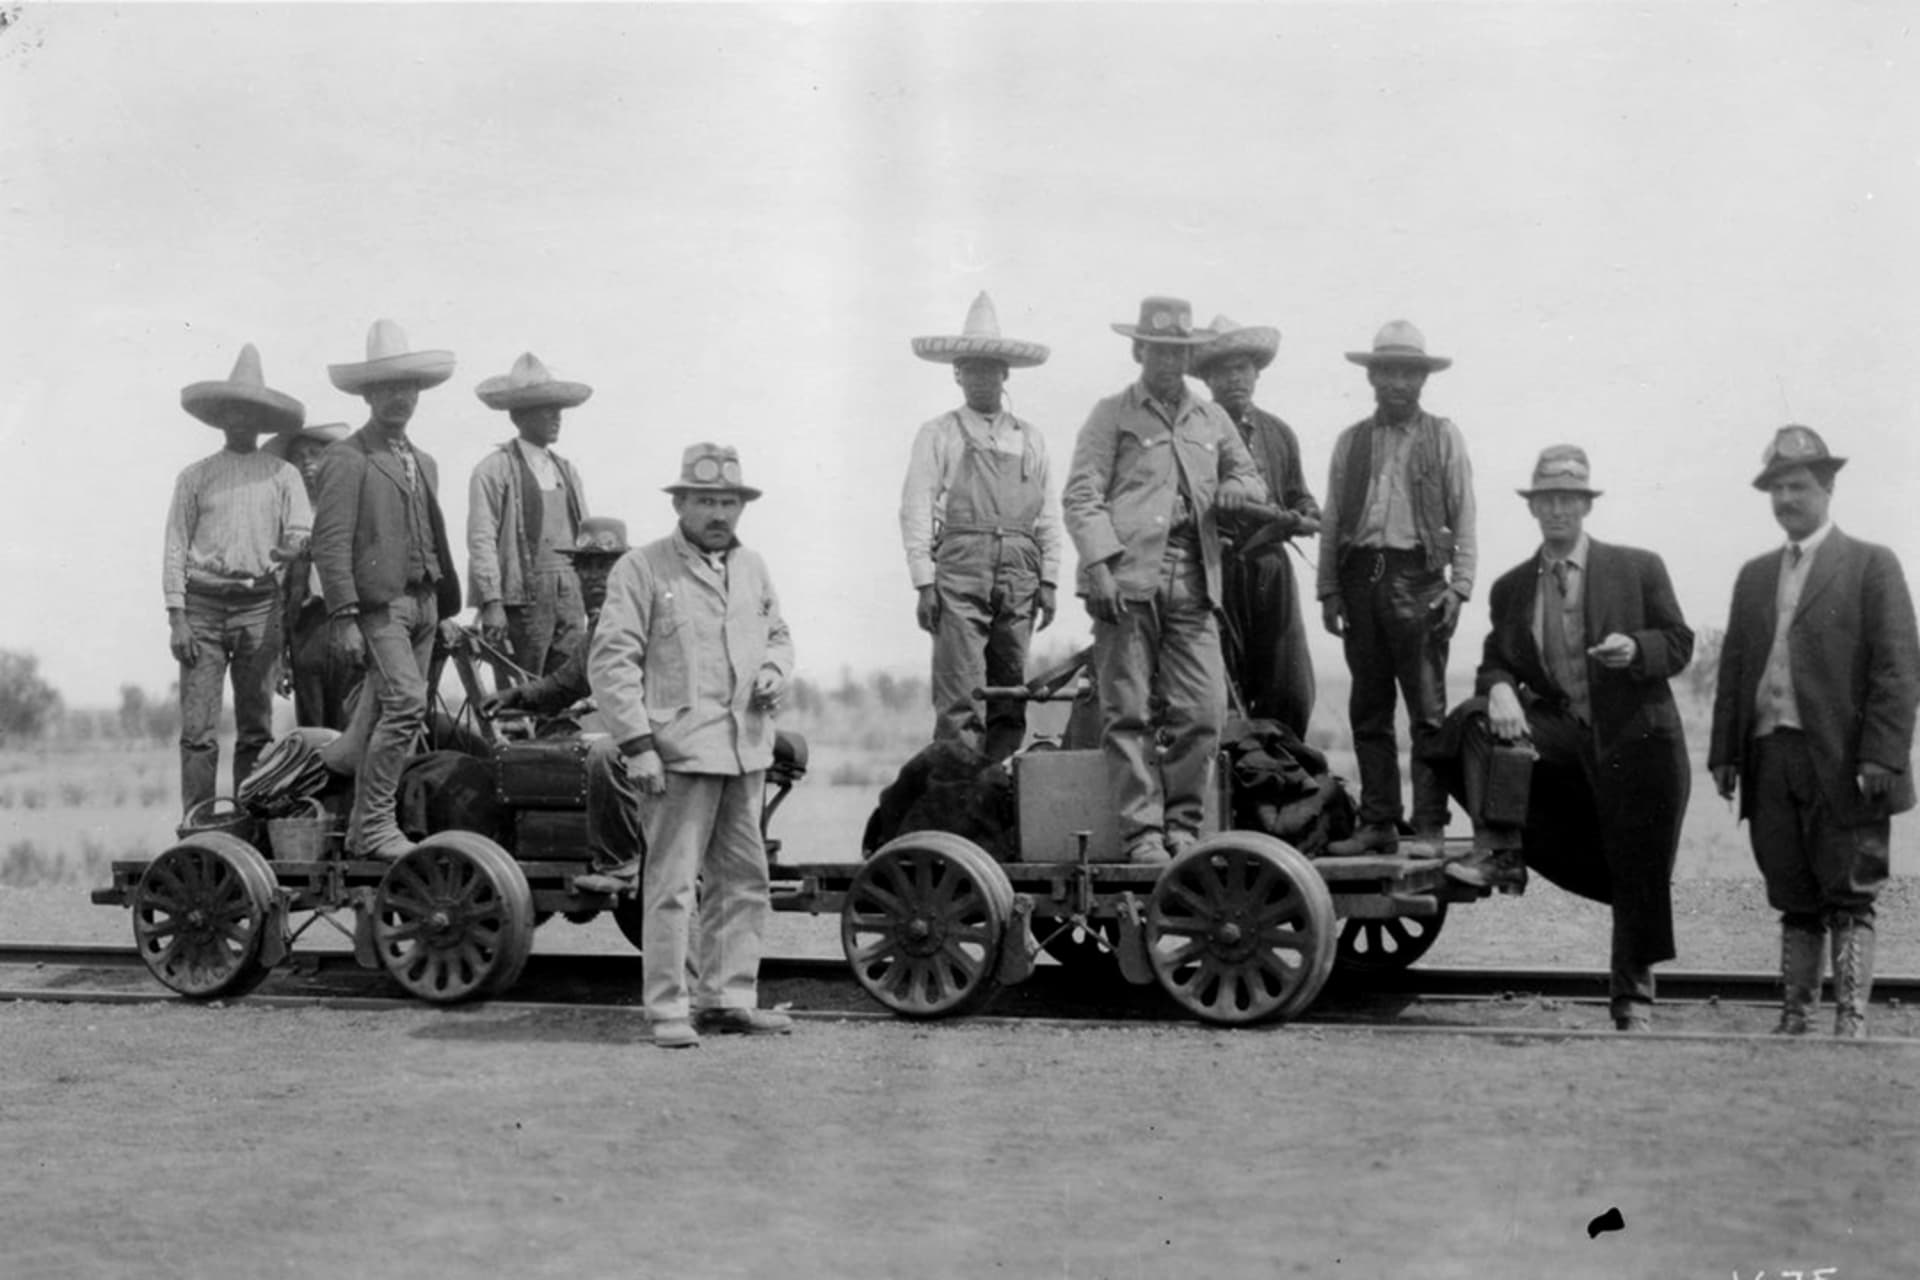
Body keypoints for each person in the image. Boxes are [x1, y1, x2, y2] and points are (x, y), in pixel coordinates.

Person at [1431, 446, 1693, 1032]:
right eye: (1546, 499)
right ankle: (1500, 853)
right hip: (1565, 738)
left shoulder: (1638, 567)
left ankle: (1634, 1000)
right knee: (1471, 721)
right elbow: (1498, 658)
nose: (1557, 510)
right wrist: (1499, 687)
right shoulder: (1513, 587)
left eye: (1568, 499)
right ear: (1533, 508)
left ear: (1585, 505)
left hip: (1638, 741)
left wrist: (1637, 651)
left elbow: (1679, 641)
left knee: (1638, 866)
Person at [1709, 426, 1920, 1038]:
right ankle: (1796, 1018)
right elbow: (1734, 671)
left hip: (1845, 763)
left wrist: (1883, 755)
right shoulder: (1753, 575)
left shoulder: (1871, 565)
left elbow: (1897, 668)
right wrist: (1726, 754)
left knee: (1850, 890)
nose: (1786, 500)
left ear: (1828, 488)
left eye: (1798, 486)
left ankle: (1850, 1021)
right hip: (1772, 758)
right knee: (1792, 890)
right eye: (1776, 489)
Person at [589, 444, 795, 1048]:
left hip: (745, 751)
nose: (718, 513)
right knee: (673, 886)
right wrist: (638, 744)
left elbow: (779, 635)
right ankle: (668, 1008)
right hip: (679, 754)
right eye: (705, 500)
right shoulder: (643, 568)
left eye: (728, 502)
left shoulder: (753, 568)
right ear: (679, 504)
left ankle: (728, 999)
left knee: (744, 880)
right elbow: (612, 661)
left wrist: (775, 672)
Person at [1061, 297, 1265, 865]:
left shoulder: (1211, 418)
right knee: (1127, 713)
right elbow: (1081, 495)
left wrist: (1237, 493)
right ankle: (1142, 836)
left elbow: (1250, 477)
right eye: (1159, 351)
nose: (1170, 362)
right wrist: (1100, 565)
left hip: (1197, 580)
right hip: (1126, 581)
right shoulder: (1111, 413)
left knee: (1203, 712)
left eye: (1179, 352)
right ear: (1139, 351)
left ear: (1190, 355)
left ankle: (1183, 828)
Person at [1318, 320, 1476, 856]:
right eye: (1387, 371)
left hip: (1421, 581)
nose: (1397, 383)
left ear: (1423, 379)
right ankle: (1379, 820)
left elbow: (1465, 514)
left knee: (1428, 712)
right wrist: (1329, 591)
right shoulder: (1352, 442)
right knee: (1369, 709)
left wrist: (1460, 588)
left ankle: (1429, 823)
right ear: (1372, 377)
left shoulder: (1444, 437)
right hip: (1362, 580)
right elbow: (1335, 518)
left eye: (1407, 372)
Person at [311, 319, 464, 860]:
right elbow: (329, 544)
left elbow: (428, 532)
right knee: (404, 704)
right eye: (384, 389)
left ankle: (347, 818)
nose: (397, 398)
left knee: (388, 713)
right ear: (368, 395)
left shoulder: (424, 462)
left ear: (418, 393)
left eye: (406, 388)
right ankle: (372, 825)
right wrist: (345, 615)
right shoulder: (346, 458)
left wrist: (441, 605)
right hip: (380, 607)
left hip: (425, 603)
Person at [900, 292, 1062, 760]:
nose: (981, 378)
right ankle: (956, 800)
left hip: (1020, 568)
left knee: (1011, 689)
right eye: (971, 368)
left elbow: (1048, 513)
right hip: (960, 567)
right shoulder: (940, 433)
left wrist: (1048, 578)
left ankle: (1002, 792)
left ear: (1005, 373)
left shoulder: (1029, 438)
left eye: (990, 369)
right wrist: (924, 583)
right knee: (961, 693)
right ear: (958, 373)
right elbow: (915, 507)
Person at [163, 344, 312, 813]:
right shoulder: (195, 477)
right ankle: (198, 825)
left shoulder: (283, 475)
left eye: (250, 412)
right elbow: (174, 545)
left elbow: (301, 531)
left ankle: (247, 823)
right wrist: (177, 617)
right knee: (199, 731)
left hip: (260, 606)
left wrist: (293, 548)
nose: (241, 419)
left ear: (263, 419)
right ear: (220, 416)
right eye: (233, 410)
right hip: (203, 606)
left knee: (256, 728)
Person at [479, 517, 643, 894]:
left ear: (625, 568)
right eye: (585, 566)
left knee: (603, 755)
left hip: (657, 732)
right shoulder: (599, 626)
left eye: (605, 565)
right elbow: (562, 686)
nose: (594, 576)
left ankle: (620, 865)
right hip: (640, 731)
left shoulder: (640, 615)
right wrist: (513, 697)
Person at [1190, 316, 1322, 733]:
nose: (1235, 378)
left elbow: (1299, 495)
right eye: (1223, 370)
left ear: (1257, 373)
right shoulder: (1192, 433)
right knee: (1221, 685)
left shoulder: (1278, 433)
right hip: (1214, 569)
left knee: (1288, 685)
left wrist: (1309, 514)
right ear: (1207, 378)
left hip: (1269, 568)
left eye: (1243, 368)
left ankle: (1281, 771)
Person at [467, 353, 594, 681]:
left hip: (569, 594)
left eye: (559, 409)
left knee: (568, 682)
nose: (556, 417)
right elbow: (481, 538)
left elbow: (586, 537)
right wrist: (492, 602)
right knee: (523, 687)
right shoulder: (494, 470)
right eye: (545, 408)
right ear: (519, 415)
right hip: (523, 596)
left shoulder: (567, 471)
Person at [265, 422, 356, 730]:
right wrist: (280, 657)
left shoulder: (351, 509)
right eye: (298, 457)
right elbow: (277, 592)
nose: (307, 463)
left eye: (314, 454)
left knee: (351, 720)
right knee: (314, 728)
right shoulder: (284, 520)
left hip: (349, 621)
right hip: (307, 628)